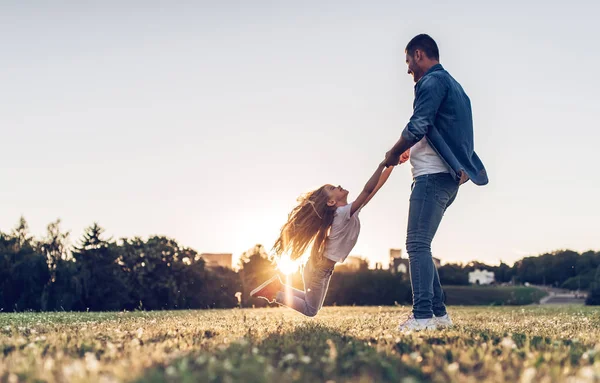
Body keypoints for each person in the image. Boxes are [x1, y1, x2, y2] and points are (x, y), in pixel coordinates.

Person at [383, 34, 488, 332]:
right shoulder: (454, 86)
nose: (407, 70)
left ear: (418, 55)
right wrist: (411, 149)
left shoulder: (431, 82)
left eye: (407, 61)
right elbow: (437, 129)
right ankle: (439, 315)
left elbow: (419, 124)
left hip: (433, 177)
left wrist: (391, 153)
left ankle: (423, 316)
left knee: (415, 245)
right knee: (423, 245)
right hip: (441, 177)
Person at [250, 160, 400, 316]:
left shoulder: (349, 211)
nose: (339, 186)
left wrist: (391, 164)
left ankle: (278, 286)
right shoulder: (343, 214)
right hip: (318, 269)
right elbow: (367, 191)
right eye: (333, 188)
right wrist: (382, 164)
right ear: (331, 201)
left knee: (313, 306)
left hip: (321, 268)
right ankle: (274, 294)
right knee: (311, 310)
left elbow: (374, 189)